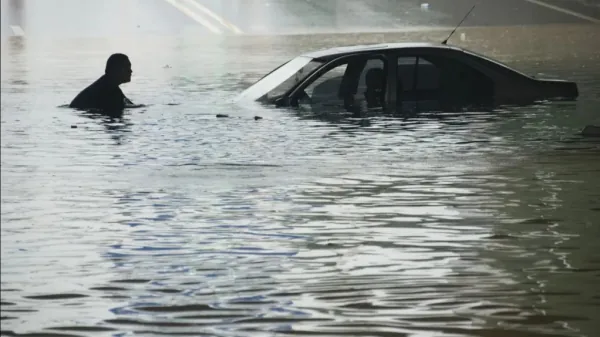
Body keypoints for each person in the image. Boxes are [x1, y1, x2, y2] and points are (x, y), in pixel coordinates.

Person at [70, 53, 138, 111]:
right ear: (116, 70)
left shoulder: (109, 85)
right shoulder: (107, 88)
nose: (130, 71)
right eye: (127, 67)